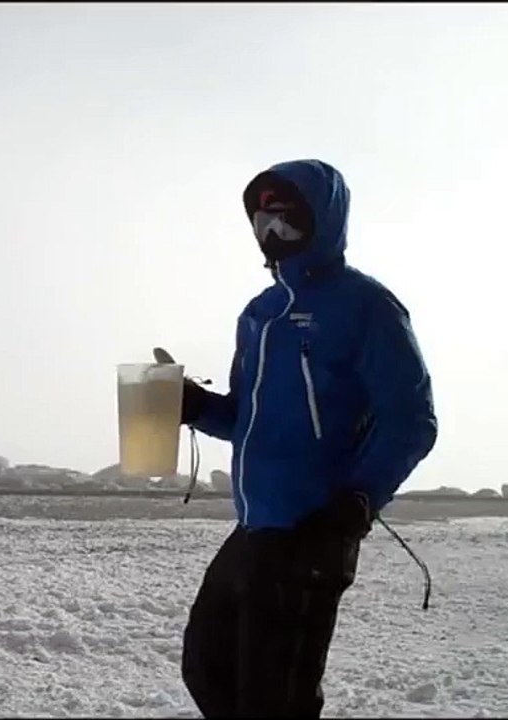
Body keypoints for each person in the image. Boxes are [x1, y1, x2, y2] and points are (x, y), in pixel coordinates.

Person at [178, 159, 438, 718]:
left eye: (288, 219)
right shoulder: (260, 314)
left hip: (314, 531)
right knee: (206, 666)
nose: (273, 233)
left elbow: (412, 417)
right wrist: (197, 408)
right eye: (262, 221)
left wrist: (360, 498)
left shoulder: (365, 306)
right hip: (254, 527)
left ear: (323, 219)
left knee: (275, 701)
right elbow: (248, 419)